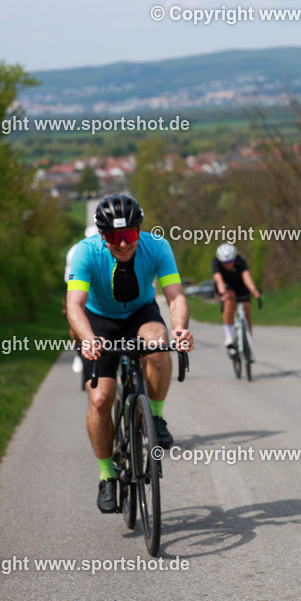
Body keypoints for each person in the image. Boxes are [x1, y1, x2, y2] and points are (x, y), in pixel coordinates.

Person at [66, 194, 193, 513]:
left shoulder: (158, 247)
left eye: (129, 236)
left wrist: (179, 329)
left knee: (158, 343)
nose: (123, 244)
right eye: (114, 237)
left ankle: (156, 416)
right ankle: (108, 476)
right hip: (100, 320)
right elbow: (74, 305)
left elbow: (175, 296)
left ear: (139, 231)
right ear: (102, 236)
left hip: (140, 313)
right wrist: (88, 338)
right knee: (99, 400)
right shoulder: (86, 252)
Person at [212, 243, 261, 358]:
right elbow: (218, 279)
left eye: (230, 261)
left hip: (240, 284)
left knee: (246, 307)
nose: (228, 265)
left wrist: (254, 290)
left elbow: (246, 276)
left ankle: (248, 344)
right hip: (226, 285)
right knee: (229, 301)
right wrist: (223, 293)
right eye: (225, 263)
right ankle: (229, 337)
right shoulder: (216, 262)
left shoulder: (240, 261)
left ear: (235, 257)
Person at [64, 226, 99, 373]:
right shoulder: (76, 251)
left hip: (97, 290)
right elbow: (70, 279)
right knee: (74, 321)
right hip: (76, 285)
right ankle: (79, 353)